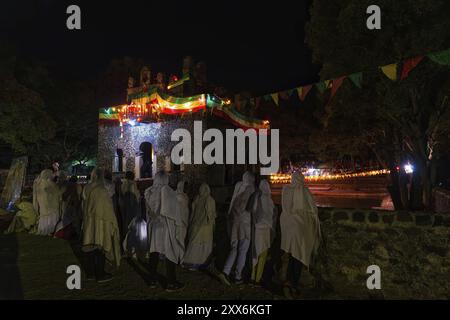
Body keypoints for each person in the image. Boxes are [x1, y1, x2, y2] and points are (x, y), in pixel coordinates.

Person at [279, 171, 321, 298]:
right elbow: (313, 209)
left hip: (288, 227)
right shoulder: (304, 190)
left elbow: (285, 207)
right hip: (300, 228)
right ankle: (292, 284)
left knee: (292, 254)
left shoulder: (286, 190)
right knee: (298, 255)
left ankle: (288, 281)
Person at [145, 171, 184, 291]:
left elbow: (148, 211)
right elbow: (174, 210)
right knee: (169, 252)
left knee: (154, 252)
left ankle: (152, 279)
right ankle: (171, 283)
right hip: (166, 227)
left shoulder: (149, 192)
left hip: (154, 226)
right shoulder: (168, 191)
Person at [81, 168, 121, 283]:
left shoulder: (87, 188)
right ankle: (100, 274)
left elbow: (83, 203)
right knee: (100, 246)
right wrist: (113, 222)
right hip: (101, 221)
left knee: (89, 246)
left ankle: (90, 273)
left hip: (89, 220)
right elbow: (107, 208)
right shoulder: (102, 190)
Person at [219, 171, 255, 285]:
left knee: (234, 248)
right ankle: (238, 276)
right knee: (243, 251)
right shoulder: (251, 189)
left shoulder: (238, 187)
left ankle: (225, 271)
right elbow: (251, 208)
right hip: (245, 225)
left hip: (235, 223)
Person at [183, 183, 216, 270]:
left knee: (196, 244)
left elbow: (193, 211)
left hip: (198, 225)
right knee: (201, 245)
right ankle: (198, 262)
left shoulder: (198, 198)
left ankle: (194, 262)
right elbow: (211, 214)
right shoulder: (208, 200)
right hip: (205, 226)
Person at [250, 179, 277, 286]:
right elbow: (272, 215)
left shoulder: (257, 198)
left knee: (255, 252)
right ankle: (258, 278)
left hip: (257, 228)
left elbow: (253, 211)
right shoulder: (269, 200)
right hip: (266, 229)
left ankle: (252, 277)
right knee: (263, 253)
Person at [54, 172, 81, 239]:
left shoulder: (65, 185)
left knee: (66, 218)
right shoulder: (75, 186)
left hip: (66, 204)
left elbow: (64, 196)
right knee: (71, 219)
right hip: (71, 204)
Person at [35, 169, 61, 236]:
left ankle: (44, 229)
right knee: (50, 217)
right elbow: (58, 194)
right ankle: (50, 230)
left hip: (43, 205)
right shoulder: (52, 184)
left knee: (44, 217)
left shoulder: (39, 184)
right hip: (51, 206)